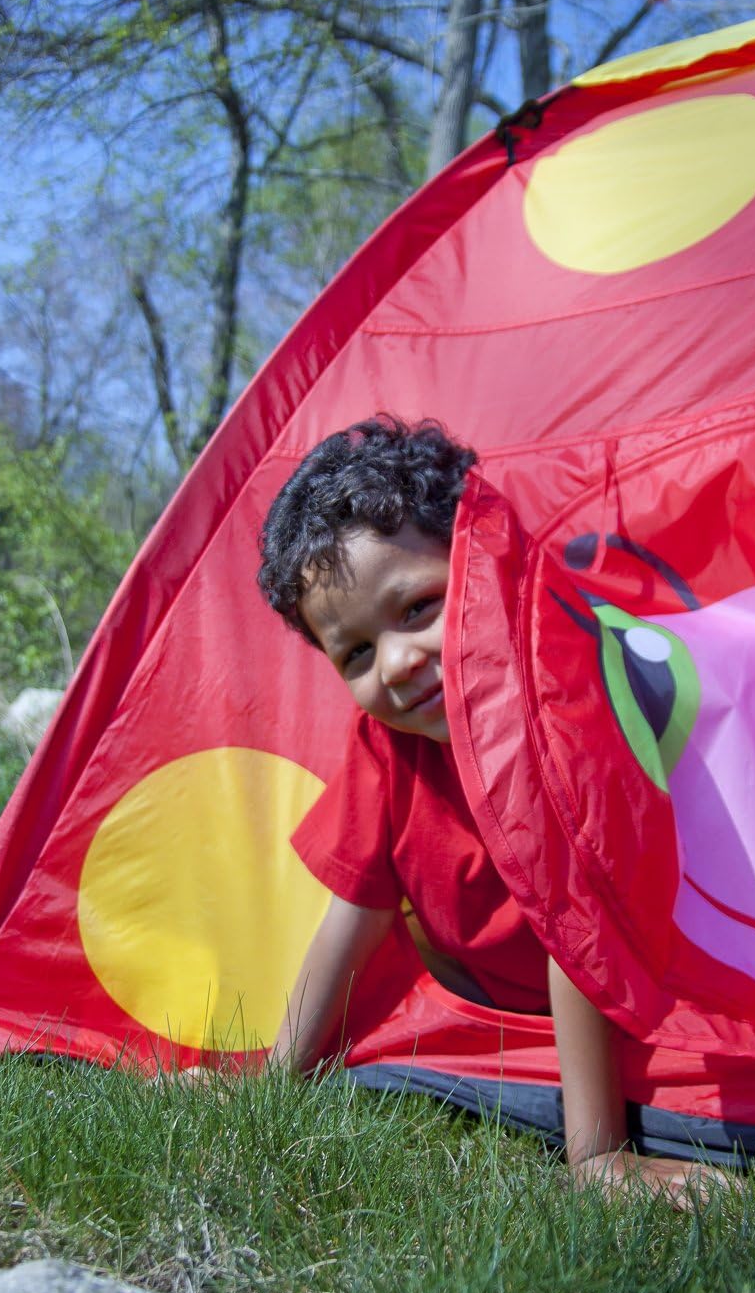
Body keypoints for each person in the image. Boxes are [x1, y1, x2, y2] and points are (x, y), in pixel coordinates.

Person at [258, 415, 727, 1203]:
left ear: (479, 571)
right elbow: (355, 915)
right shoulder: (388, 745)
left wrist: (597, 1153)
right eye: (357, 654)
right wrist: (274, 1083)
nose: (398, 663)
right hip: (490, 1003)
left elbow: (575, 929)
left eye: (416, 609)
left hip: (611, 990)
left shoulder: (560, 709)